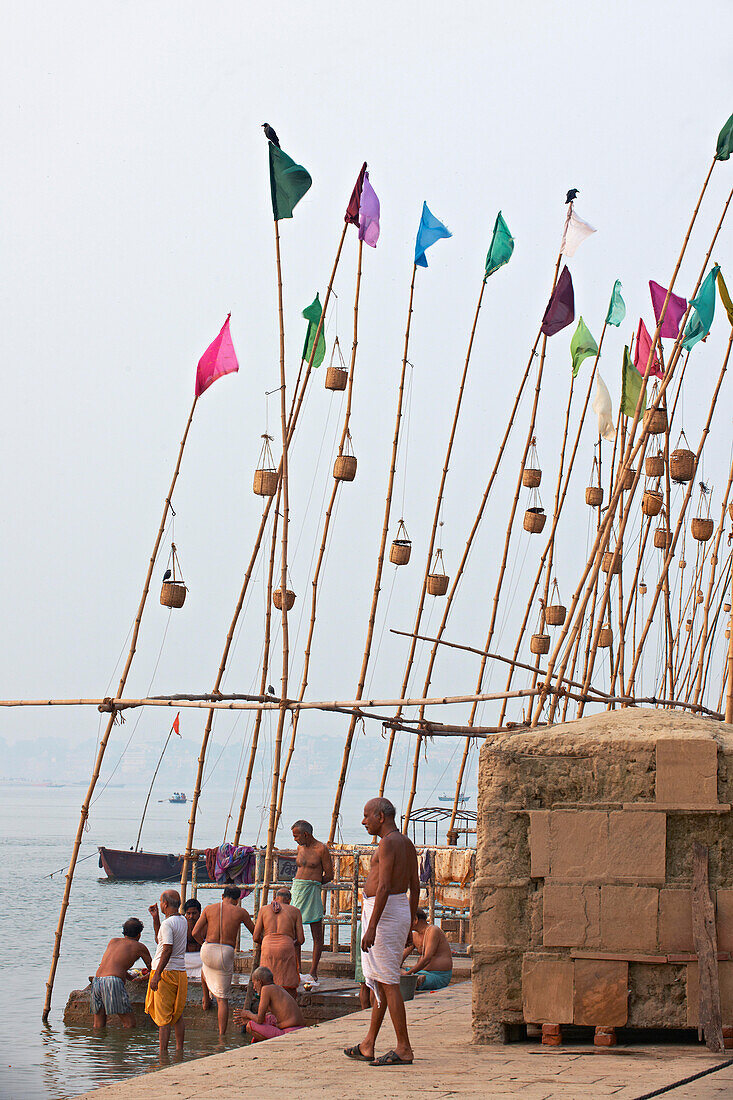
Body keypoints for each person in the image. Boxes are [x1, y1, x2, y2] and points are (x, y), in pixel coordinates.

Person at [344, 797, 419, 1067]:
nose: (364, 821)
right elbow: (415, 886)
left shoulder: (388, 843)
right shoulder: (407, 843)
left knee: (388, 982)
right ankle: (368, 1044)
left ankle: (404, 1048)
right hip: (396, 911)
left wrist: (372, 926)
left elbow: (385, 886)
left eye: (367, 816)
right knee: (378, 979)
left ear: (381, 816)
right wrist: (410, 922)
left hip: (384, 913)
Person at [192, 885, 255, 1038]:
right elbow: (255, 933)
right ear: (238, 900)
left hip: (207, 948)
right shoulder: (241, 912)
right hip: (225, 952)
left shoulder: (209, 908)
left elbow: (194, 932)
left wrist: (203, 944)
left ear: (222, 896)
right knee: (222, 999)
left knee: (204, 968)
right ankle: (221, 1036)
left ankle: (206, 998)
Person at [146, 890, 188, 1057]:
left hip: (166, 972)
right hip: (179, 971)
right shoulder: (182, 920)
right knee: (176, 1014)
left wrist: (157, 975)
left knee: (164, 1017)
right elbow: (160, 940)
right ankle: (179, 1050)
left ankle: (162, 1054)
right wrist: (155, 919)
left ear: (165, 904)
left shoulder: (168, 924)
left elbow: (167, 949)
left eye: (161, 902)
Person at [290, 819, 333, 986]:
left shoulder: (321, 849)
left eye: (296, 836)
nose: (295, 839)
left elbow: (329, 874)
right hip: (298, 889)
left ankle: (313, 971)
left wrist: (315, 883)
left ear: (306, 834)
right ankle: (297, 968)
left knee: (316, 932)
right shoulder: (300, 847)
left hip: (313, 890)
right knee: (294, 933)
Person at [91, 917, 152, 1029]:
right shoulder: (139, 947)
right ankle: (123, 1046)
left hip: (97, 980)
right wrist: (144, 977)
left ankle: (98, 1045)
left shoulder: (113, 941)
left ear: (124, 932)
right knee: (129, 1024)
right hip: (112, 982)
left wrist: (130, 977)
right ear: (139, 935)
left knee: (98, 1025)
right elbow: (153, 968)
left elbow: (115, 966)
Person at [253, 887, 304, 1000]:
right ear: (289, 900)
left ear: (275, 897)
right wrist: (290, 942)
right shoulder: (295, 911)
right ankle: (287, 1008)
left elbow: (256, 937)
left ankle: (268, 1011)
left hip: (267, 946)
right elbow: (301, 939)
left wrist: (267, 941)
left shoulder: (263, 910)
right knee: (287, 982)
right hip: (286, 946)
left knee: (266, 982)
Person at [233, 966, 304, 1042]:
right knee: (268, 1018)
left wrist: (247, 1014)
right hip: (299, 1028)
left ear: (259, 982)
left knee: (250, 1026)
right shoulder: (278, 988)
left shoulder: (266, 989)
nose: (254, 987)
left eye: (254, 983)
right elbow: (264, 1017)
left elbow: (260, 1019)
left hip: (289, 1032)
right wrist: (250, 1018)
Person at [402, 908, 453, 992]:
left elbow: (427, 959)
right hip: (419, 972)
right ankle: (416, 978)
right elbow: (402, 956)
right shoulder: (414, 935)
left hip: (437, 976)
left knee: (413, 978)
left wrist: (408, 974)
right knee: (395, 971)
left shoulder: (433, 930)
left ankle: (418, 980)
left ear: (415, 919)